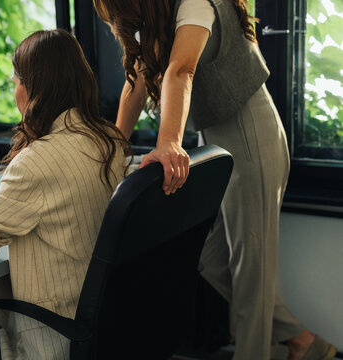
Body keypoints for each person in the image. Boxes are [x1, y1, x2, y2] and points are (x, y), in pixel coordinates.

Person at [92, 0, 337, 359]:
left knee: (252, 274)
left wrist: (169, 143)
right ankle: (301, 339)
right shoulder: (159, 16)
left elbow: (181, 71)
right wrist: (113, 148)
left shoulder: (196, 3)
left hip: (250, 134)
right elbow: (139, 80)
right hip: (213, 140)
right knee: (202, 250)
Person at [0, 29, 130, 359]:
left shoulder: (37, 161)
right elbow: (74, 197)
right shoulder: (109, 139)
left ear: (33, 88)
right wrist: (4, 205)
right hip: (103, 314)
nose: (15, 90)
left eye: (16, 81)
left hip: (58, 331)